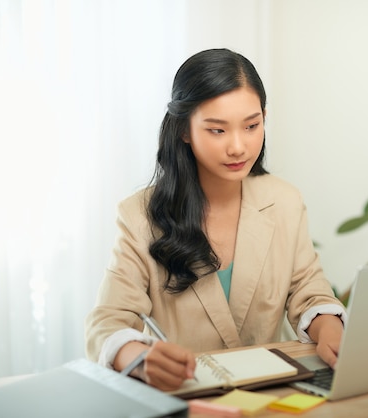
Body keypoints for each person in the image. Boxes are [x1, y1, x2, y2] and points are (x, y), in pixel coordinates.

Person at [85, 48, 346, 392]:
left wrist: (329, 326)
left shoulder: (283, 201)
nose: (238, 147)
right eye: (217, 130)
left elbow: (308, 291)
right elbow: (107, 322)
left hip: (270, 393)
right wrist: (137, 356)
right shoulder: (139, 216)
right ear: (184, 130)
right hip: (187, 396)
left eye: (252, 126)